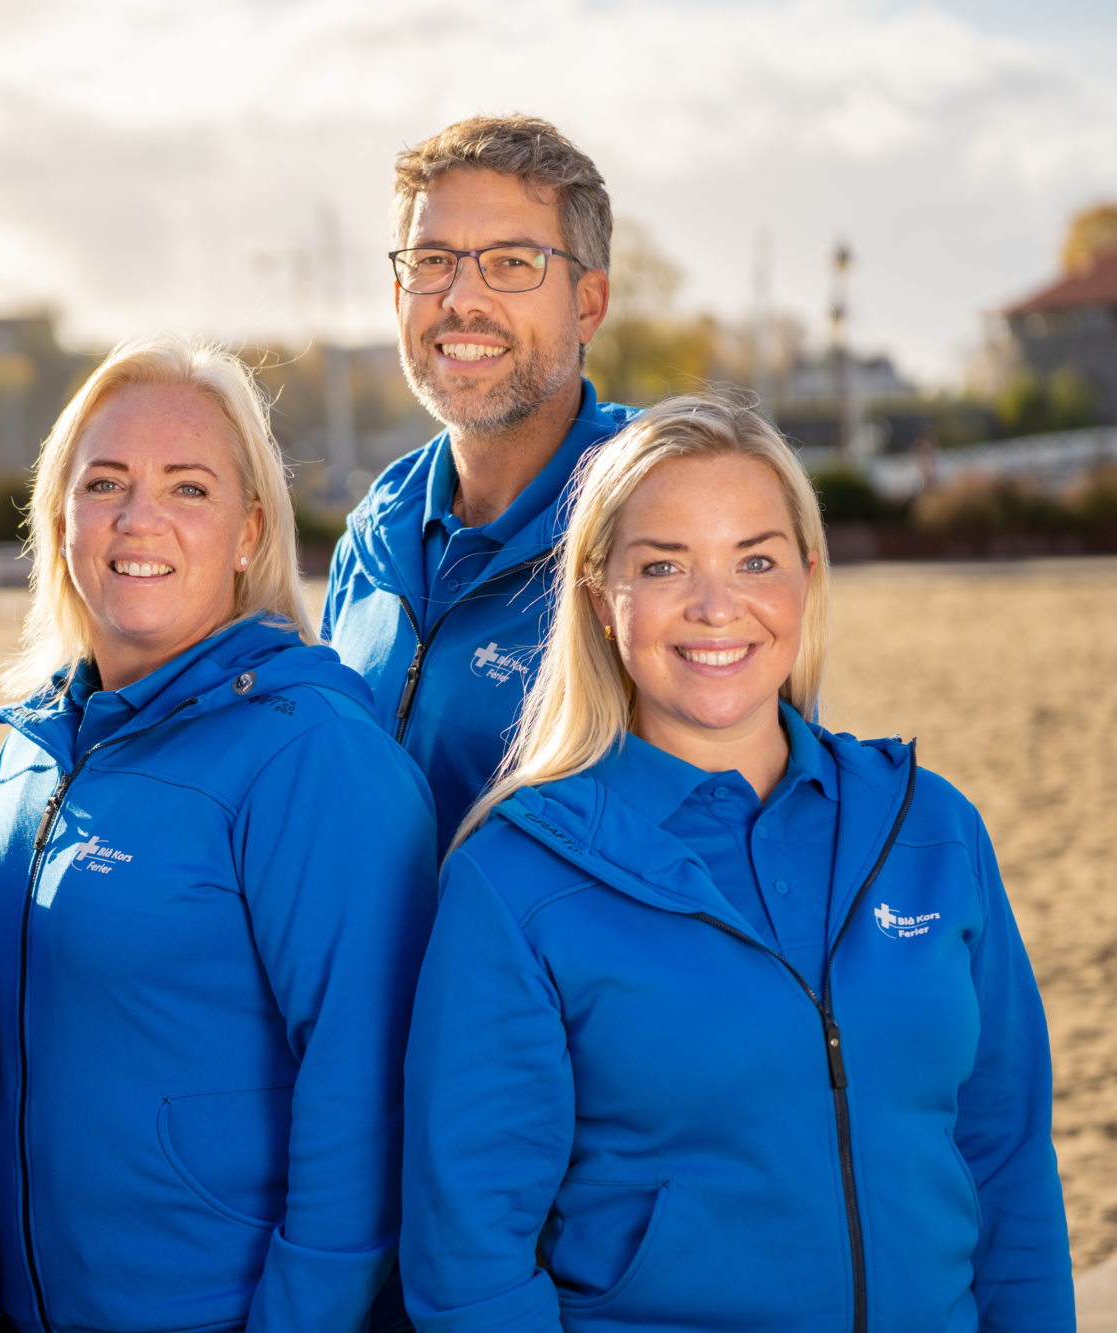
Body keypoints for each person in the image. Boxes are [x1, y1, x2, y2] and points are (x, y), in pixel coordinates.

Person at [400, 394, 1073, 1331]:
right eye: (664, 564)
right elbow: (470, 1254)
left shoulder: (931, 830)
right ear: (600, 595)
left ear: (806, 573)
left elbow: (1007, 1161)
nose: (718, 607)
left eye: (755, 559)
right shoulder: (516, 879)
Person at [0, 337, 440, 1333]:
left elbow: (364, 1099)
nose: (139, 519)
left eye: (187, 489)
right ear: (58, 517)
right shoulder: (35, 745)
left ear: (247, 531)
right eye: (105, 484)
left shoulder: (313, 758)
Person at [323, 113, 636, 853]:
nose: (463, 298)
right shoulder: (375, 532)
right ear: (399, 297)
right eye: (433, 260)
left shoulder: (657, 516)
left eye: (512, 261)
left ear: (588, 303)